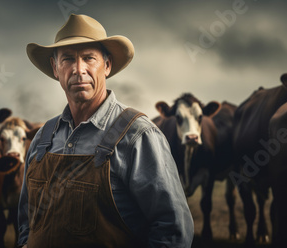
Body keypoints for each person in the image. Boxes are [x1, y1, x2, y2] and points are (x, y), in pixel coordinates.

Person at [18, 14, 194, 248]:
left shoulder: (138, 136)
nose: (78, 69)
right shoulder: (42, 138)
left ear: (107, 65)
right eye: (68, 59)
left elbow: (172, 230)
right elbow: (26, 224)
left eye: (89, 58)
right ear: (55, 68)